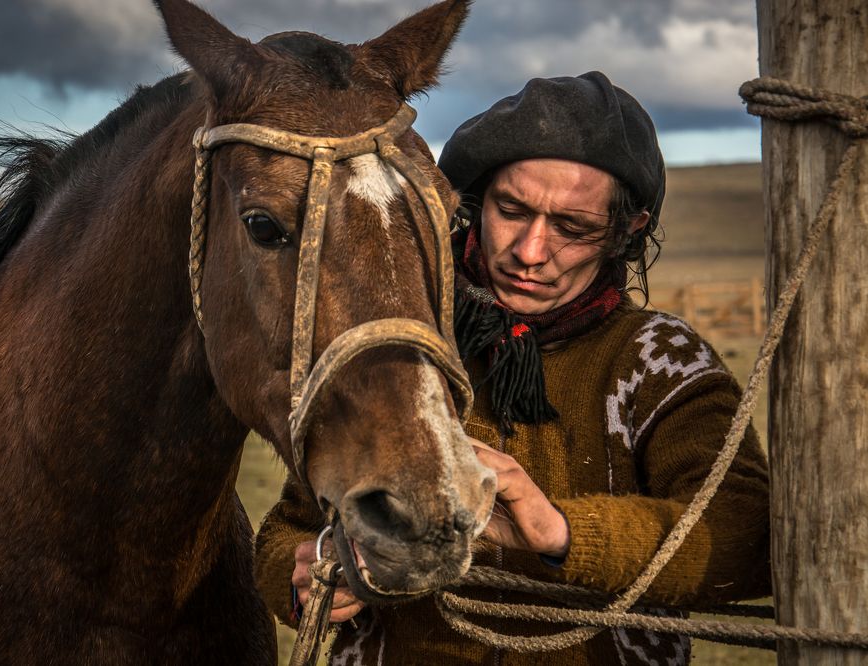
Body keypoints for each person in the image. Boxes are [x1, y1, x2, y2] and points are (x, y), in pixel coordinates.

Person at [254, 71, 771, 665]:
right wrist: (309, 572)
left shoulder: (658, 361)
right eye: (511, 209)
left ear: (626, 234)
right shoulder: (401, 347)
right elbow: (288, 528)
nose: (529, 251)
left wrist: (561, 532)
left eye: (573, 228)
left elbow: (743, 536)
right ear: (475, 202)